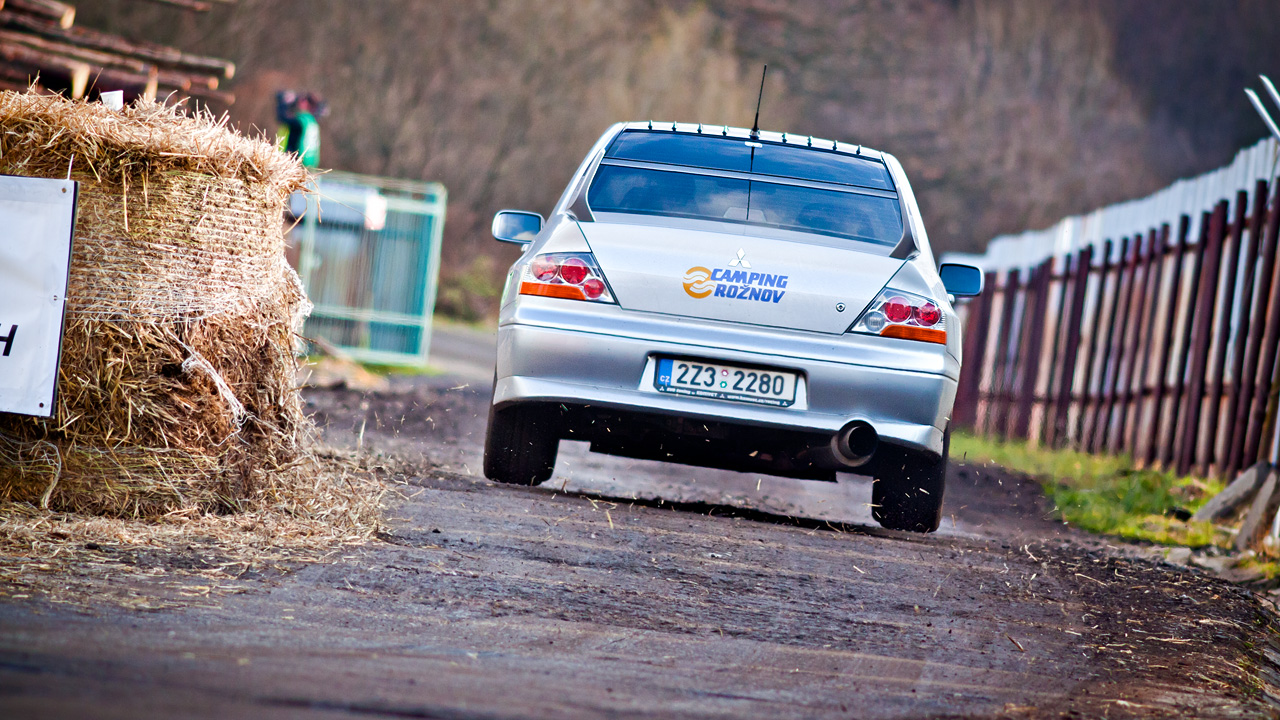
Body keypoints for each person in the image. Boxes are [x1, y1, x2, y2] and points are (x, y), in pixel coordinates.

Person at [275, 90, 323, 168]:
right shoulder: (312, 121)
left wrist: (283, 102)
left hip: (293, 163)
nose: (298, 102)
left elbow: (282, 118)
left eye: (302, 100)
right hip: (308, 164)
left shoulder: (300, 122)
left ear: (307, 104)